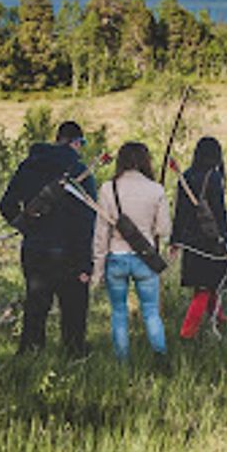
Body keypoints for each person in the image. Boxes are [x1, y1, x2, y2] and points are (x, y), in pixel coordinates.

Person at [0, 121, 96, 356]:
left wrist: (26, 226)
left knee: (36, 307)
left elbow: (6, 205)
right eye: (81, 143)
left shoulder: (28, 167)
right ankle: (74, 357)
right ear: (76, 142)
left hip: (35, 249)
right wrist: (86, 262)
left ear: (57, 139)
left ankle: (31, 357)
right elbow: (87, 220)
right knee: (73, 309)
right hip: (70, 251)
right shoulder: (79, 171)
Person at [91, 142, 170, 361]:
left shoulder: (108, 188)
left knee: (118, 314)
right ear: (145, 161)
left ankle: (122, 363)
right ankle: (160, 359)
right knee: (151, 312)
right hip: (145, 259)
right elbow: (163, 229)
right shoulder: (156, 189)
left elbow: (101, 234)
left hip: (116, 258)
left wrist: (97, 270)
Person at [170, 136, 227, 339]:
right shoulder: (213, 177)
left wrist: (175, 240)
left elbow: (179, 212)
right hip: (210, 241)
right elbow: (219, 212)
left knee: (210, 283)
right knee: (204, 289)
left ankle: (220, 318)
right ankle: (187, 334)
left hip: (191, 241)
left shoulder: (186, 176)